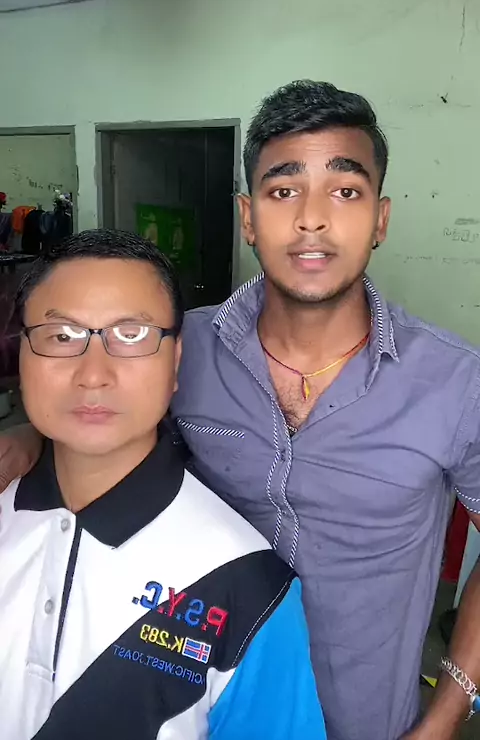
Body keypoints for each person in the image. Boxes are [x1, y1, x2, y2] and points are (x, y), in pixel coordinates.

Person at [2, 81, 480, 740]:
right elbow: (94, 402)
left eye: (345, 191)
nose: (312, 219)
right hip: (203, 710)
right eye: (284, 191)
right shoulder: (180, 348)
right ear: (248, 217)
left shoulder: (456, 381)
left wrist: (450, 708)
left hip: (370, 724)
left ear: (381, 219)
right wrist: (30, 437)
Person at [0, 229, 324, 740]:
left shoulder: (245, 586)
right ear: (21, 355)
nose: (93, 374)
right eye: (62, 336)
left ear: (175, 364)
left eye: (132, 336)